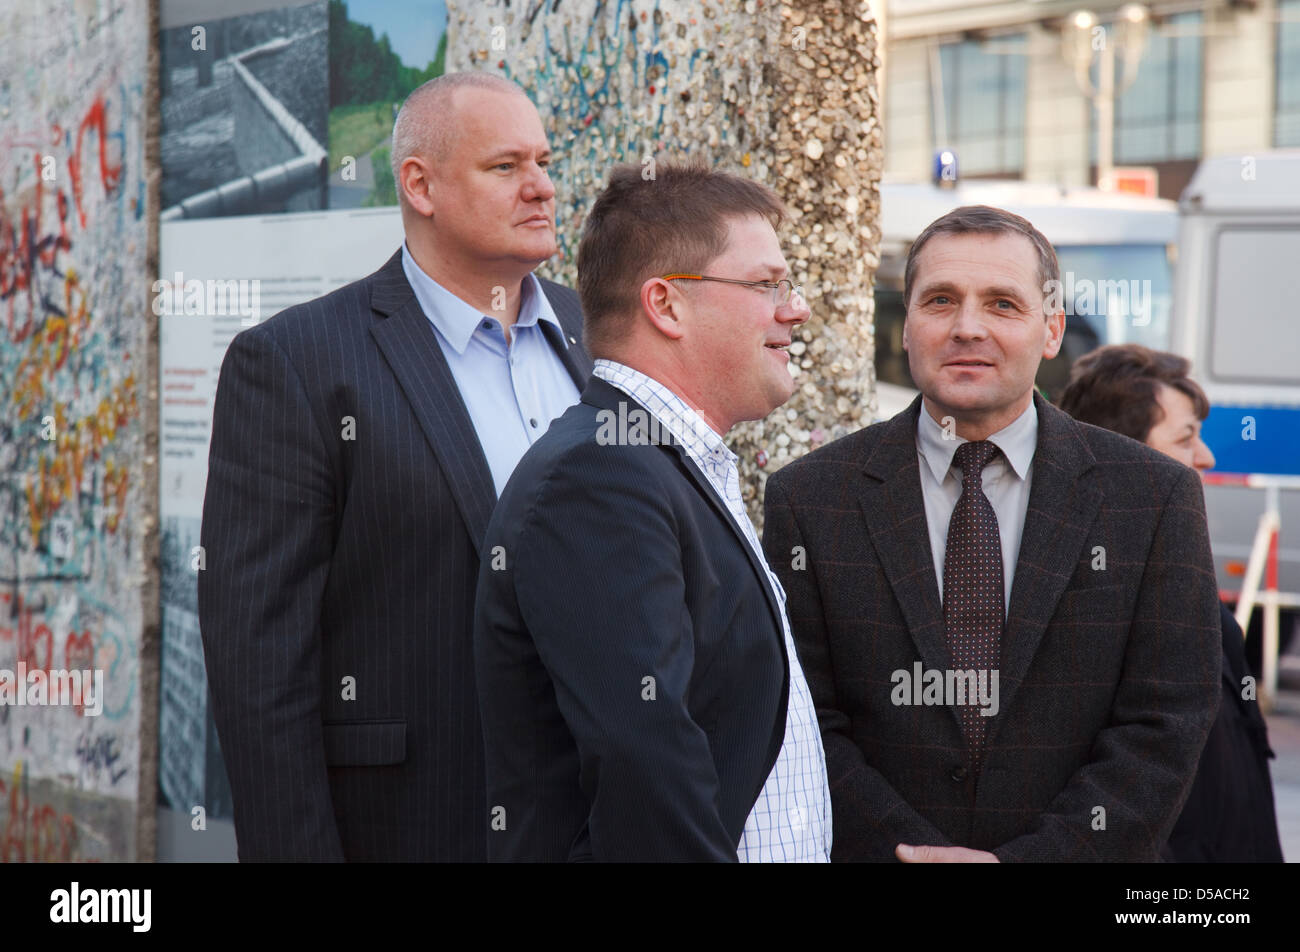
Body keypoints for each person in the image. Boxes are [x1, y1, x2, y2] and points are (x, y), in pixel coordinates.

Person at [197, 72, 591, 861]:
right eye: (506, 166)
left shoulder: (595, 334)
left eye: (544, 162)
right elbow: (260, 671)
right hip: (415, 825)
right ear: (421, 185)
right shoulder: (297, 364)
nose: (543, 187)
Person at [763, 205, 1221, 862]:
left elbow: (1166, 722)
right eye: (940, 300)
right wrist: (913, 853)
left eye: (1003, 304)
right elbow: (803, 720)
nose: (966, 327)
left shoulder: (1153, 496)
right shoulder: (810, 497)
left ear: (1052, 328)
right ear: (904, 324)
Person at [473, 162, 831, 861]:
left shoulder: (664, 463)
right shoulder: (599, 475)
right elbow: (648, 767)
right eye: (766, 285)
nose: (796, 309)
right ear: (666, 306)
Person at [1059, 343, 1285, 862]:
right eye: (1186, 438)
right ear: (1124, 451)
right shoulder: (1092, 590)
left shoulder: (1174, 566)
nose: (1206, 457)